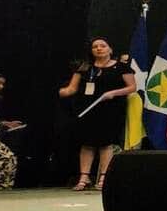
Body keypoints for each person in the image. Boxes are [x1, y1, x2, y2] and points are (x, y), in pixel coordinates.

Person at [56, 37, 136, 190]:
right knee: (87, 144)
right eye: (95, 47)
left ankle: (104, 178)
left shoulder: (121, 67)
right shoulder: (85, 67)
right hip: (87, 109)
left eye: (103, 46)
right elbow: (72, 88)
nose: (99, 49)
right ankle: (84, 178)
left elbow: (132, 87)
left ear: (110, 49)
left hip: (109, 110)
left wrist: (114, 92)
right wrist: (62, 92)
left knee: (105, 144)